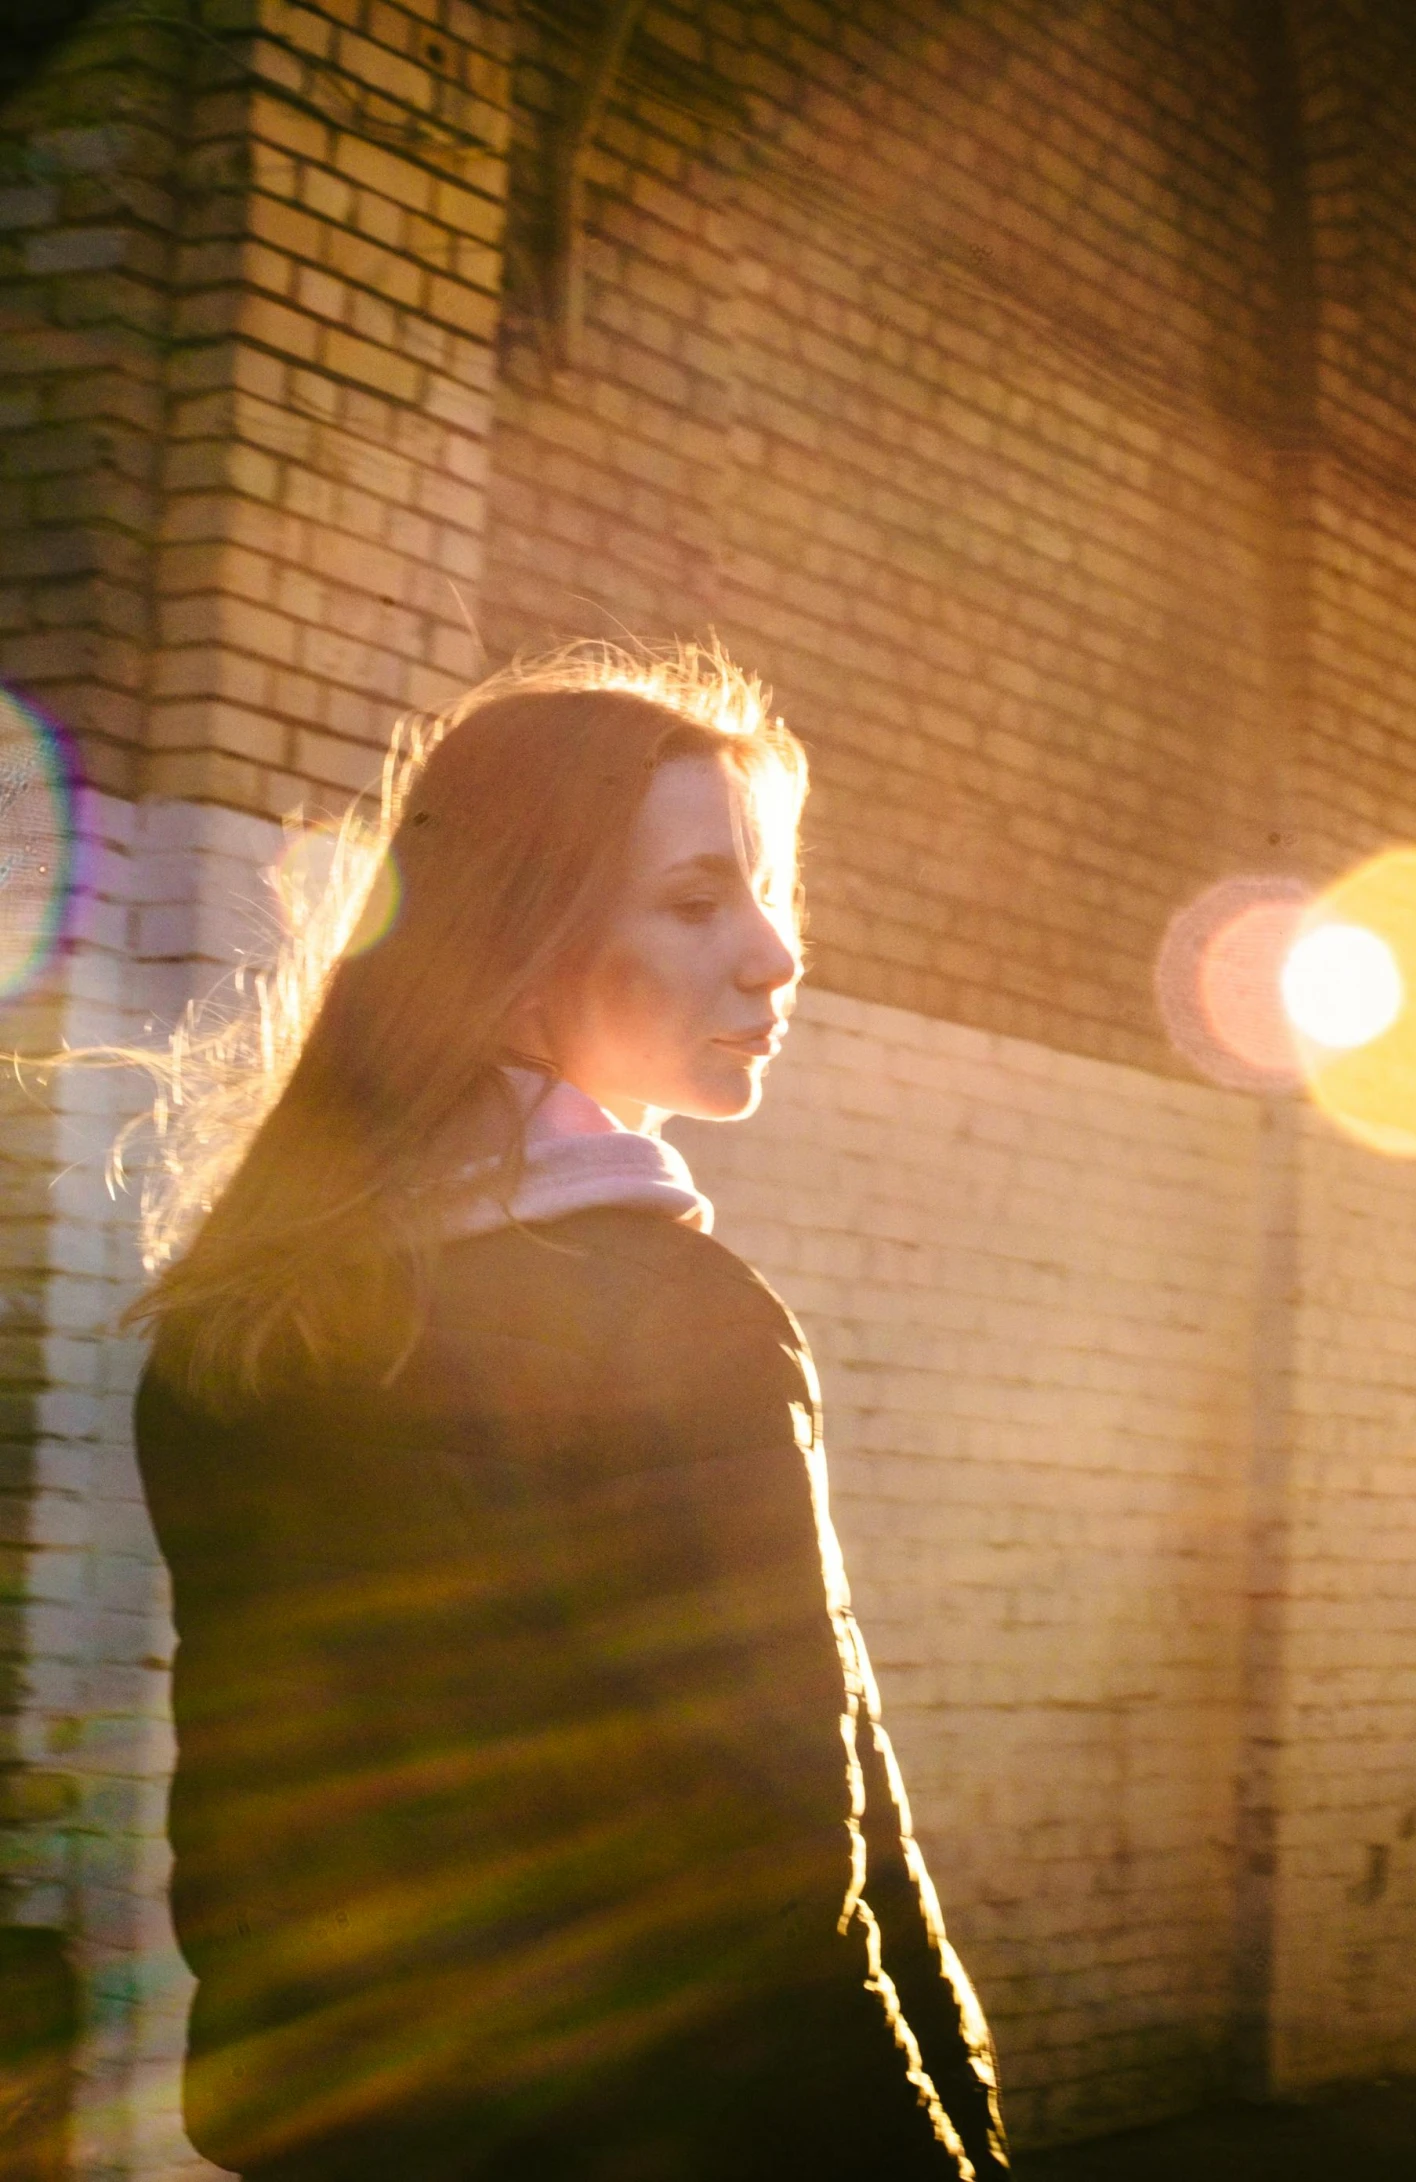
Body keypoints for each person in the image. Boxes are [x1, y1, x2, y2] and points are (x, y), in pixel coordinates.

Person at [130, 646, 1010, 2182]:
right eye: (694, 901)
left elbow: (260, 1872)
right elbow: (788, 1904)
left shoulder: (246, 1332)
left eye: (766, 889)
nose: (775, 954)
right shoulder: (673, 1324)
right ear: (518, 945)